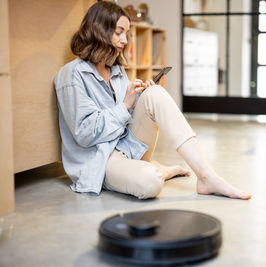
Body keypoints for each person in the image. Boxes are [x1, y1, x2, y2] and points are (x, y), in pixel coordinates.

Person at [54, 1, 251, 200]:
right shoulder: (71, 75)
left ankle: (206, 176)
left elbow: (125, 117)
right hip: (99, 160)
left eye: (126, 33)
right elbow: (84, 134)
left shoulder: (116, 70)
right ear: (99, 30)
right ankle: (158, 170)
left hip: (126, 146)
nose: (124, 40)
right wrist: (125, 105)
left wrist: (141, 98)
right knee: (150, 182)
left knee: (154, 93)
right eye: (118, 32)